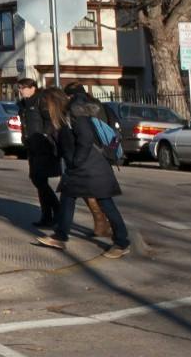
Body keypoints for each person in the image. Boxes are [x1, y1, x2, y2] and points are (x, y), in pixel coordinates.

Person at [37, 85, 131, 257]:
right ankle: (60, 236)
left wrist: (76, 160)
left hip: (91, 167)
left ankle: (122, 242)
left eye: (45, 105)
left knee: (106, 204)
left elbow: (86, 138)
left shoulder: (75, 115)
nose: (43, 109)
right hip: (80, 168)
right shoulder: (65, 118)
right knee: (67, 199)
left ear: (53, 103)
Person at [16, 77, 60, 228]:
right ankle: (47, 215)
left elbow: (50, 121)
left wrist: (44, 136)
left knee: (39, 179)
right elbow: (24, 123)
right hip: (31, 146)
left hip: (42, 145)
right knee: (38, 180)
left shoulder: (40, 100)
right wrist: (25, 137)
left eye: (22, 87)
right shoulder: (23, 105)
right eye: (20, 88)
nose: (20, 90)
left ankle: (56, 211)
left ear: (32, 87)